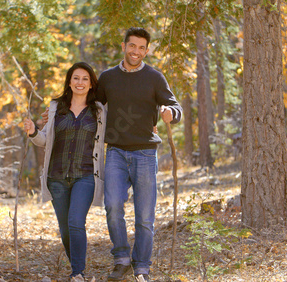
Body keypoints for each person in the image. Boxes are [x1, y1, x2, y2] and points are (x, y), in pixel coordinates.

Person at [96, 27, 183, 282]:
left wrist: (170, 113)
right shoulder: (108, 77)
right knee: (112, 206)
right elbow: (93, 106)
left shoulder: (154, 77)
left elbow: (175, 106)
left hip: (145, 153)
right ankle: (121, 258)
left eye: (141, 48)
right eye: (132, 46)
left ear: (146, 50)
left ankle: (142, 266)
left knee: (145, 216)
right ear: (123, 46)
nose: (136, 51)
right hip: (115, 152)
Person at [23, 62, 106, 282]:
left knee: (76, 222)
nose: (80, 83)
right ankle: (77, 268)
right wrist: (33, 132)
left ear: (91, 83)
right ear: (69, 82)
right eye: (76, 78)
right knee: (66, 229)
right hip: (56, 177)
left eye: (85, 79)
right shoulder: (55, 107)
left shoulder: (99, 110)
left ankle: (78, 273)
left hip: (86, 175)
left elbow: (113, 132)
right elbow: (44, 141)